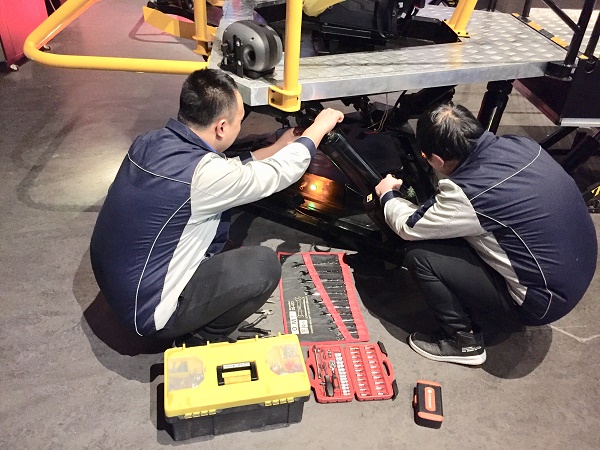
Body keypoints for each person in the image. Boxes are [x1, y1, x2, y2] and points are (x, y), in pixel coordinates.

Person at [90, 69, 344, 346]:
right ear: (221, 127)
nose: (240, 126)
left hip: (118, 289)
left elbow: (224, 171)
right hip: (149, 315)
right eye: (239, 121)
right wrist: (319, 129)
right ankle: (200, 339)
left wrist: (279, 145)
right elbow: (278, 174)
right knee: (261, 267)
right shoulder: (203, 177)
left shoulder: (150, 142)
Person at [375, 103, 597, 366]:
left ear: (438, 160)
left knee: (420, 255)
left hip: (541, 303)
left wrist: (388, 194)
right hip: (575, 274)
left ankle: (462, 342)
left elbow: (408, 226)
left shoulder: (469, 192)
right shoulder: (522, 144)